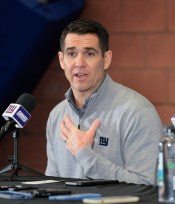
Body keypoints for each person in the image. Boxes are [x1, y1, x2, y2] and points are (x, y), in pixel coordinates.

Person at [45, 19, 164, 185]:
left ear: (106, 59)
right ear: (61, 60)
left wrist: (85, 155)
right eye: (71, 54)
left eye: (89, 53)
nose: (79, 63)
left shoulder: (137, 112)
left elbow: (148, 185)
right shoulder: (57, 115)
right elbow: (52, 185)